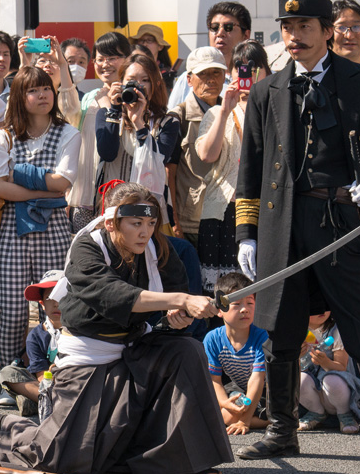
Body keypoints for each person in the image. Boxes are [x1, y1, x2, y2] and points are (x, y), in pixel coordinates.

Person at [234, 0, 360, 473]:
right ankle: (280, 432)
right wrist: (246, 234)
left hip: (342, 224)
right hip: (282, 228)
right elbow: (250, 169)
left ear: (328, 28)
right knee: (280, 332)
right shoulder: (266, 90)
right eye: (286, 27)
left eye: (304, 26)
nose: (293, 36)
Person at [0, 182, 232, 474]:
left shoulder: (160, 249)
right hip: (87, 359)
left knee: (186, 350)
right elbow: (113, 295)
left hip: (137, 349)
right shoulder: (87, 246)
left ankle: (178, 461)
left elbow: (172, 307)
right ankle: (8, 430)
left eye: (151, 223)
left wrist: (178, 318)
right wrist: (181, 300)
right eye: (136, 223)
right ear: (113, 222)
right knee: (59, 458)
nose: (145, 232)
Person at [0, 66, 80, 368]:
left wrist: (18, 174)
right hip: (11, 228)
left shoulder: (68, 133)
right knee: (12, 308)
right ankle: (10, 373)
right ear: (19, 96)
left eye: (47, 89)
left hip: (53, 228)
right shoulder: (5, 136)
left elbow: (63, 182)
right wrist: (42, 192)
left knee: (55, 304)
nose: (43, 95)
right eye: (33, 90)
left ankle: (55, 367)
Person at [195, 40, 270, 293]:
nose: (247, 74)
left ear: (267, 72)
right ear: (232, 73)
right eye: (240, 68)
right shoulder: (216, 112)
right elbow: (207, 155)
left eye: (255, 68)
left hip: (263, 209)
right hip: (222, 211)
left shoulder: (276, 110)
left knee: (258, 289)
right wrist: (226, 110)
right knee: (222, 291)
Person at [96, 52, 182, 222]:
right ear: (120, 83)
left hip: (149, 211)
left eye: (145, 80)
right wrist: (114, 109)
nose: (138, 86)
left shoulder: (167, 122)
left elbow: (158, 161)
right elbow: (107, 153)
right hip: (114, 207)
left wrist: (139, 124)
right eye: (132, 80)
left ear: (155, 85)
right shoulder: (106, 115)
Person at [66, 32, 129, 226]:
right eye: (100, 59)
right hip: (84, 195)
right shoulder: (88, 97)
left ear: (127, 60)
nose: (105, 64)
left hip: (119, 193)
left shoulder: (132, 97)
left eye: (112, 58)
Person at [204, 272, 269, 436]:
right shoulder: (213, 339)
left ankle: (279, 418)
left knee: (227, 416)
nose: (244, 309)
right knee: (215, 409)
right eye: (237, 304)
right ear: (220, 310)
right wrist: (225, 403)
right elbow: (214, 379)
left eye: (250, 303)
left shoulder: (262, 336)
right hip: (237, 388)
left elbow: (258, 379)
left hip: (265, 390)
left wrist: (244, 420)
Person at [171, 46, 226, 244]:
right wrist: (175, 221)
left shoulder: (232, 111)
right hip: (192, 221)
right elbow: (169, 174)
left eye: (216, 72)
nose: (211, 79)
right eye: (203, 74)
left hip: (227, 216)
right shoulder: (178, 117)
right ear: (189, 79)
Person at [0, 269, 63, 417]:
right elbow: (40, 375)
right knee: (7, 373)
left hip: (73, 380)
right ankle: (49, 401)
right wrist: (50, 376)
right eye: (49, 298)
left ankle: (36, 401)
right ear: (42, 303)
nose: (56, 303)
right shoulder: (35, 336)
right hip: (47, 383)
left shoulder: (79, 330)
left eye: (61, 297)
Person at [295, 310, 360, 435]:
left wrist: (325, 362)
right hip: (314, 395)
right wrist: (298, 356)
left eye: (324, 305)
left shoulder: (336, 330)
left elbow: (342, 366)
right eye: (314, 306)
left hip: (337, 393)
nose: (320, 310)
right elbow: (296, 367)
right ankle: (316, 411)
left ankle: (345, 413)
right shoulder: (298, 331)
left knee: (332, 380)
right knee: (297, 379)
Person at [169, 1, 251, 107]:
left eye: (228, 27)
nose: (220, 33)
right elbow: (171, 118)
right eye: (214, 27)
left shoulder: (259, 76)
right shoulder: (189, 78)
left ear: (246, 35)